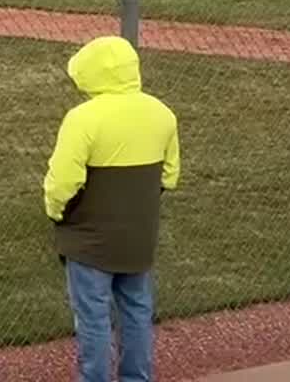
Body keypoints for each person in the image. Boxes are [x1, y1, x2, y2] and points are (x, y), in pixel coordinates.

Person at [43, 35, 180, 382]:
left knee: (93, 318)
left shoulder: (82, 119)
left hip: (88, 240)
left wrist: (56, 212)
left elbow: (63, 183)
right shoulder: (162, 114)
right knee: (137, 311)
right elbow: (169, 176)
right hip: (138, 236)